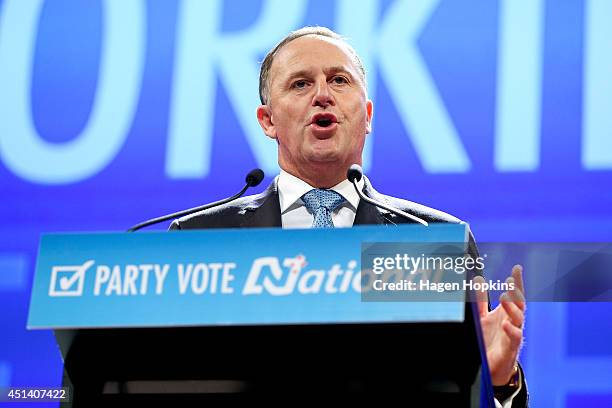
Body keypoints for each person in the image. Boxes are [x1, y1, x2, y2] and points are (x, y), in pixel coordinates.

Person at [170, 26, 527, 407]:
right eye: (300, 84)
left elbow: (460, 391)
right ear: (267, 120)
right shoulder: (201, 238)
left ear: (368, 114)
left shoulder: (432, 239)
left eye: (339, 80)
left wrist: (496, 384)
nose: (322, 95)